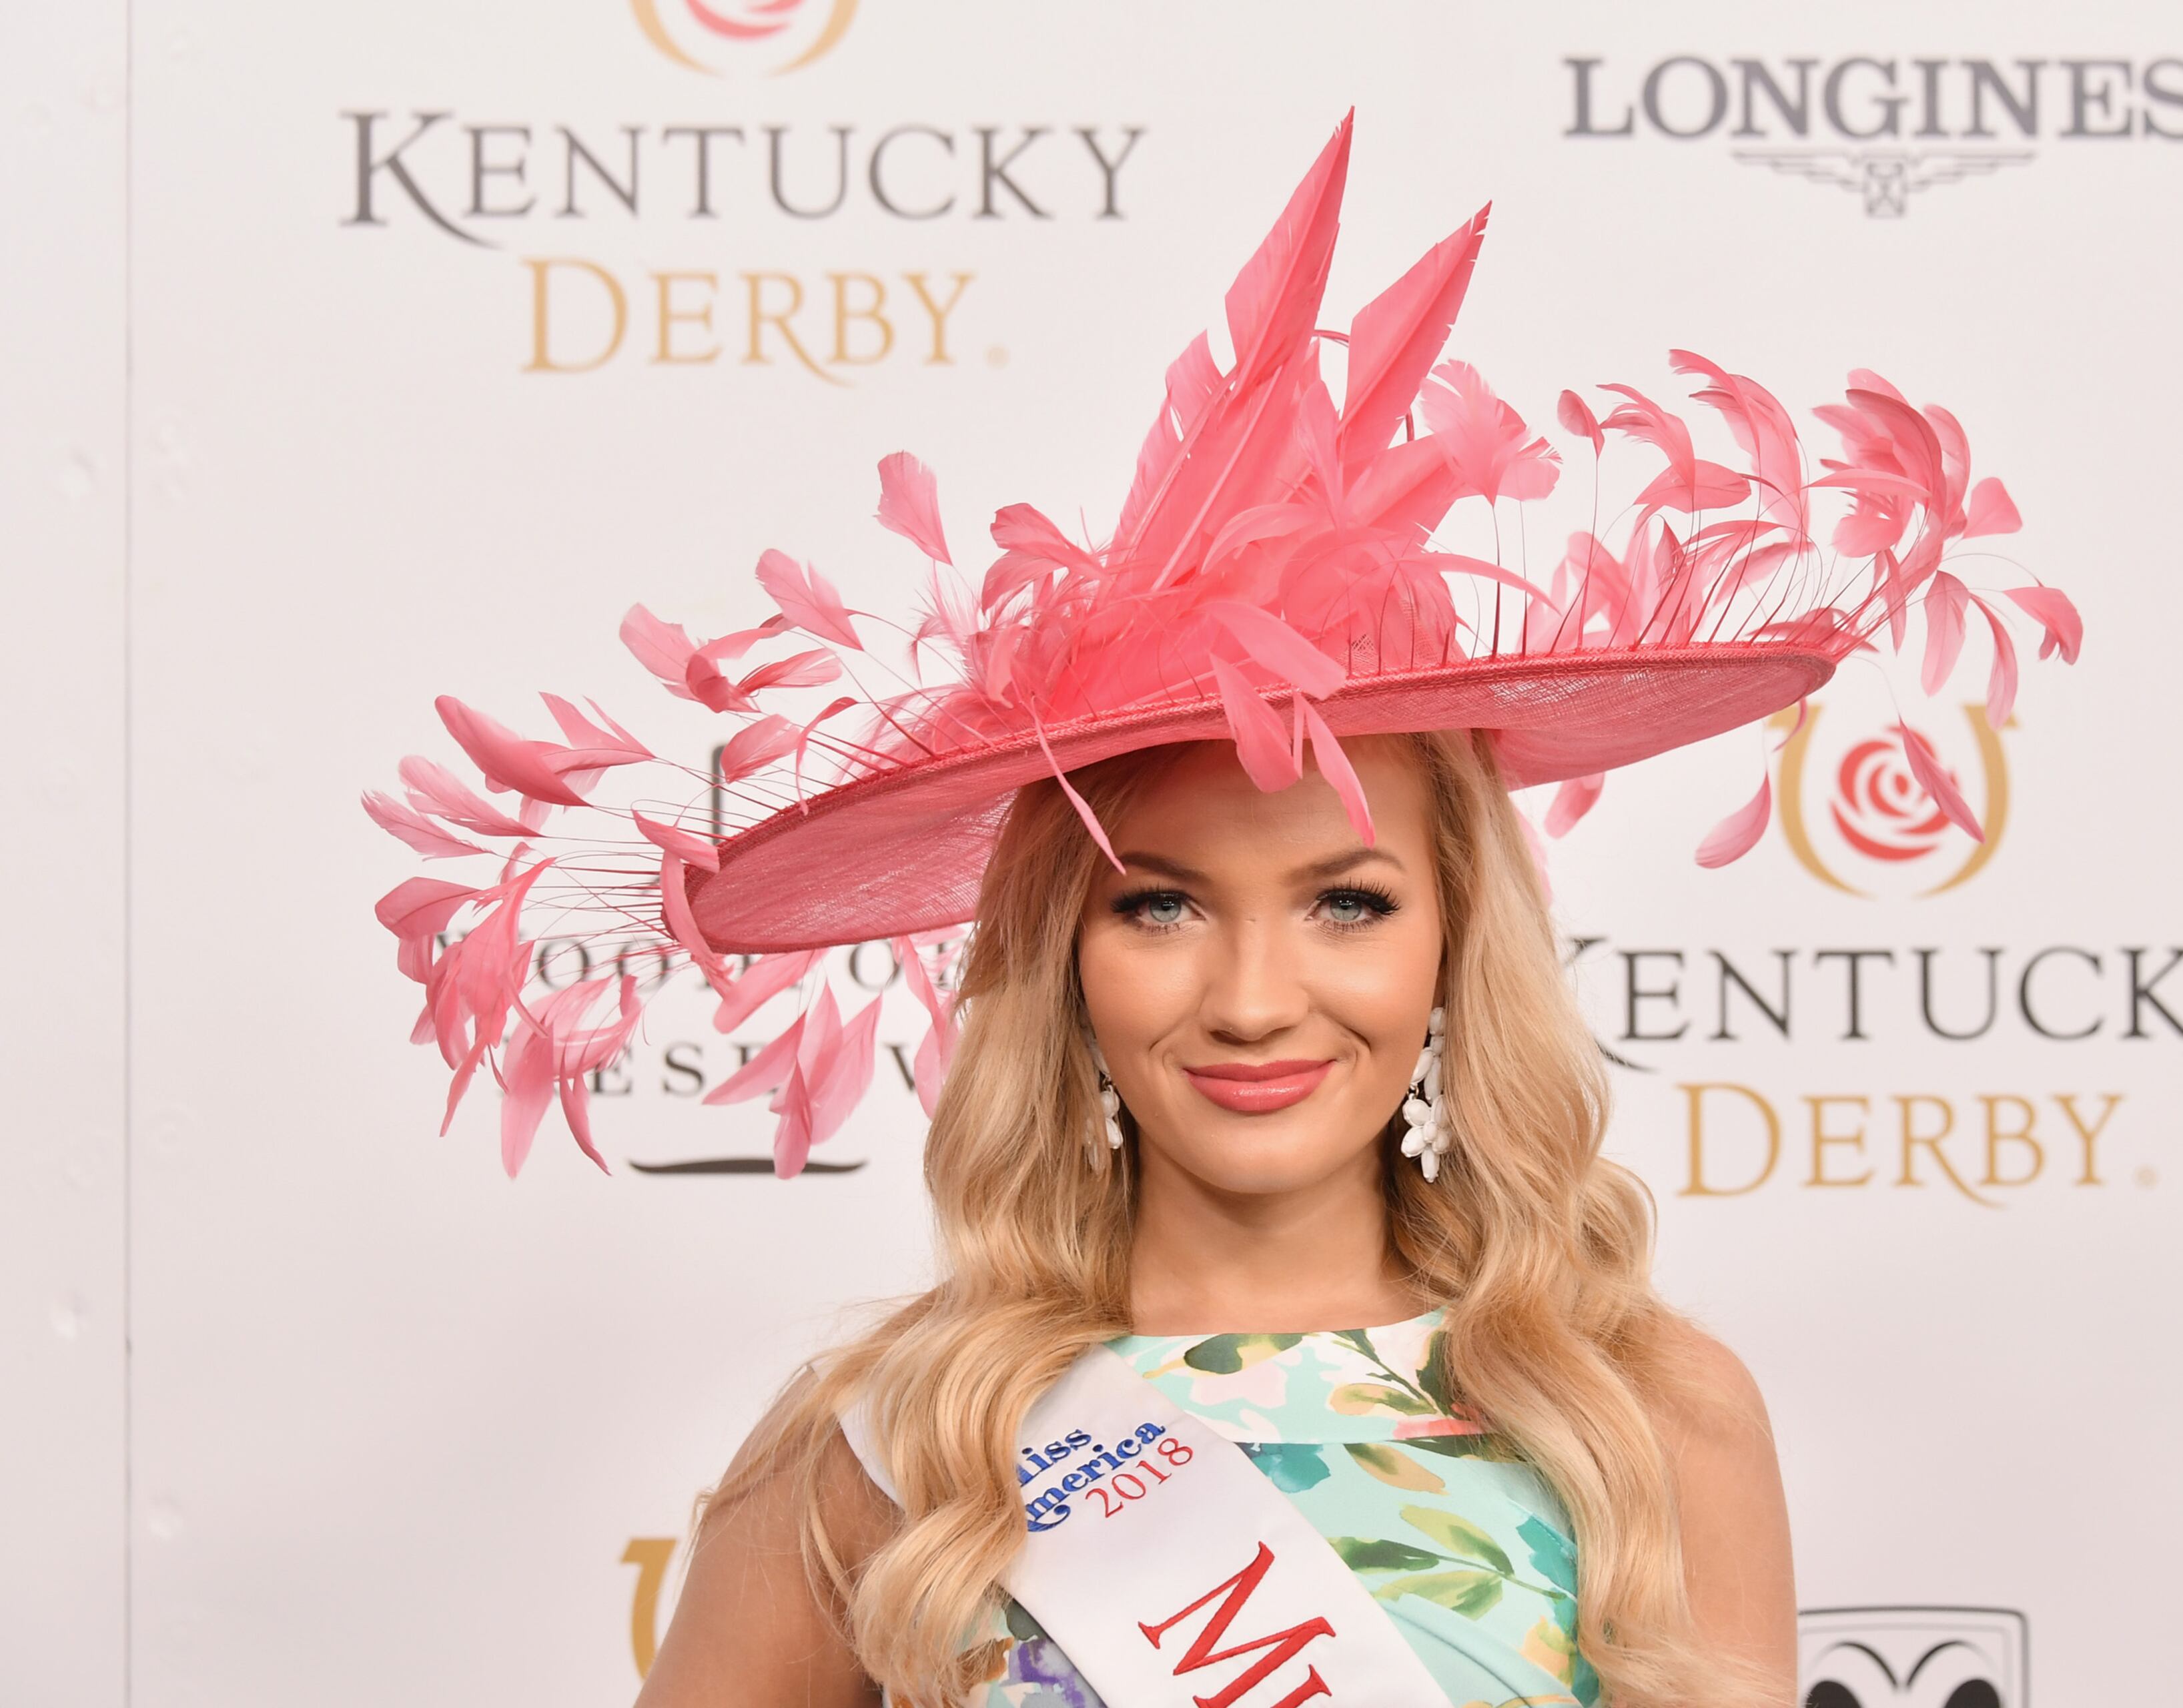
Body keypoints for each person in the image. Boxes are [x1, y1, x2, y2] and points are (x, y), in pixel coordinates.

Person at [370, 114, 2074, 1708]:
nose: (1256, 998)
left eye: (1346, 900)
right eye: (1163, 906)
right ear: (1065, 965)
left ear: (1453, 948)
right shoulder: (899, 1441)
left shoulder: (1644, 1414)